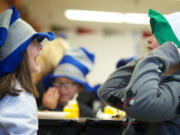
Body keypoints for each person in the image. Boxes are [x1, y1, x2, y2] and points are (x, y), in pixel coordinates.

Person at [98, 9, 180, 135]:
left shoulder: (177, 87)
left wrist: (157, 57)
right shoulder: (156, 81)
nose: (148, 39)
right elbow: (108, 91)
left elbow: (140, 104)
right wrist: (145, 60)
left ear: (172, 48)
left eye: (157, 35)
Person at [0, 7, 54, 134]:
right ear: (18, 53)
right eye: (34, 42)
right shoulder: (18, 96)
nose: (41, 46)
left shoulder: (8, 91)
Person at [40, 47, 95, 118]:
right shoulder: (43, 109)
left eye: (69, 84)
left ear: (79, 87)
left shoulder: (86, 114)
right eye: (58, 83)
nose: (62, 89)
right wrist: (47, 109)